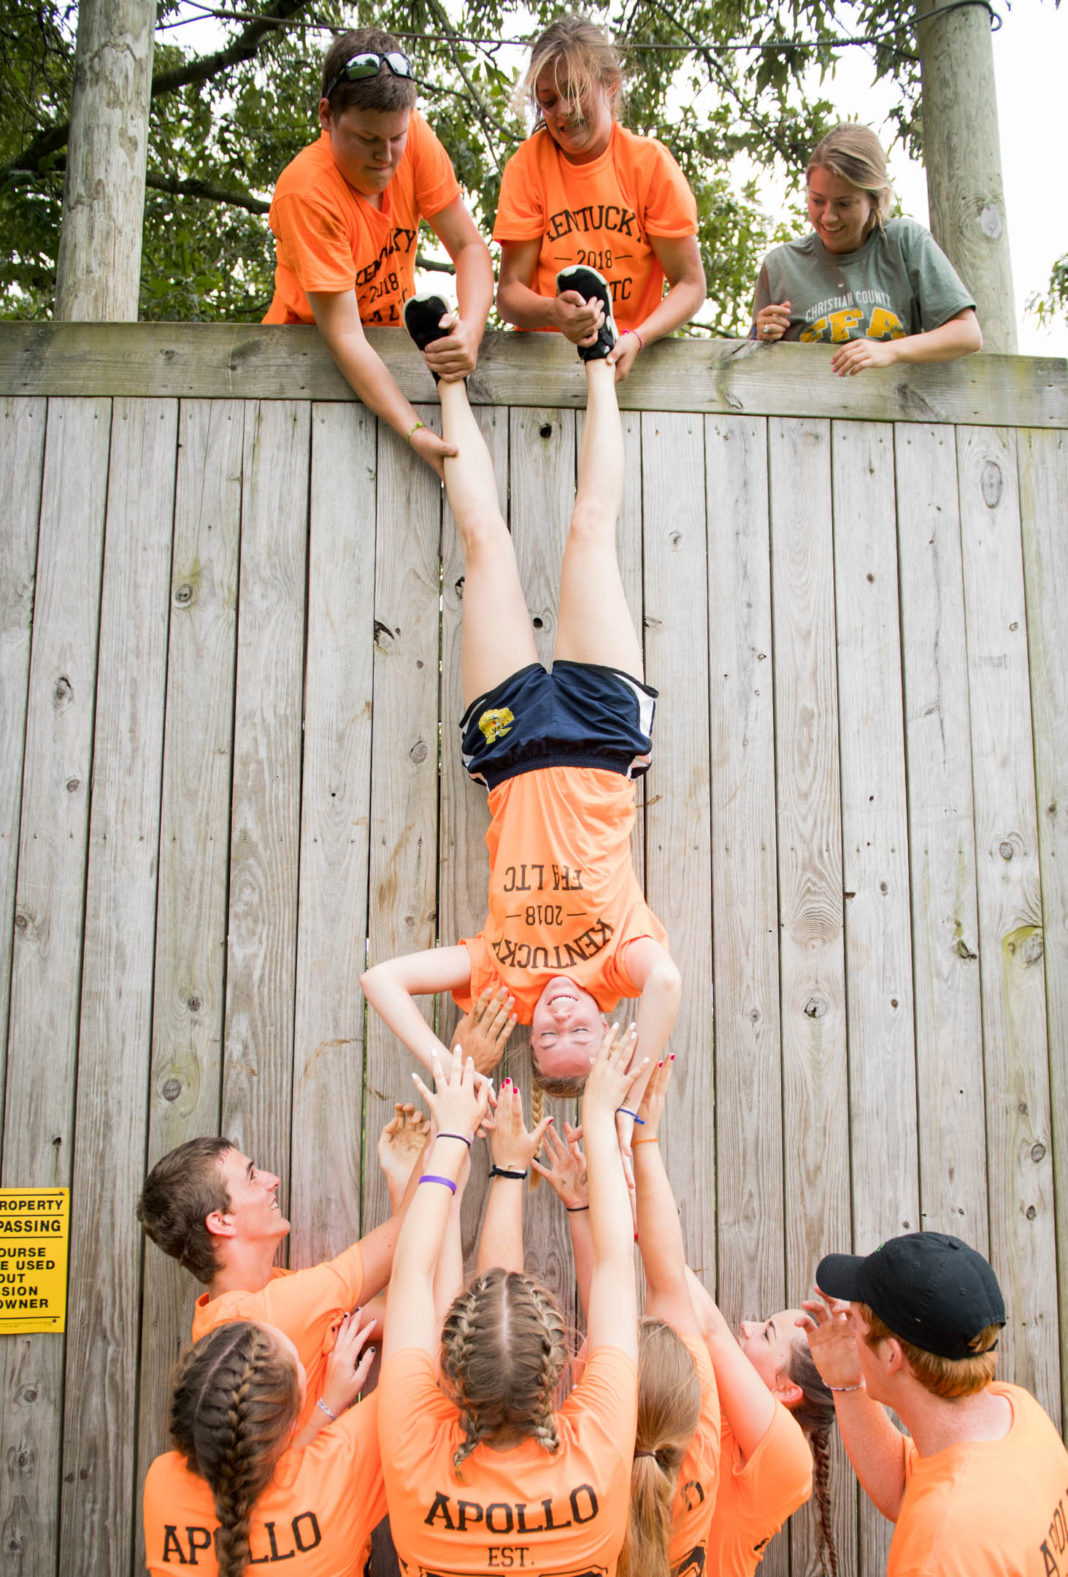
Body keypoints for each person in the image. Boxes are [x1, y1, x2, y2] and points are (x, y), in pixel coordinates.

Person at [360, 283, 681, 1091]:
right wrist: (631, 1090)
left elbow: (382, 981)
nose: (565, 1012)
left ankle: (448, 372)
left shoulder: (500, 984)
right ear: (606, 1028)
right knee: (589, 527)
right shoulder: (624, 967)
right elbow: (669, 985)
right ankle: (598, 356)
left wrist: (455, 1069)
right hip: (603, 738)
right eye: (584, 1031)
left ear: (528, 1038)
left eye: (551, 1033)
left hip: (506, 749)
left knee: (484, 545)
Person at [376, 1028, 645, 1575]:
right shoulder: (599, 1449)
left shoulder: (414, 1451)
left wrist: (455, 1139)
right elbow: (616, 1264)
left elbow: (408, 1275)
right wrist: (597, 1115)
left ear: (449, 1369)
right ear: (555, 1372)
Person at [263, 26, 493, 476]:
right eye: (368, 140)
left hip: (390, 358)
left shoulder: (414, 140)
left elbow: (469, 247)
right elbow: (346, 338)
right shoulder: (307, 192)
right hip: (301, 373)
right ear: (327, 116)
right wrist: (413, 431)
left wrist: (471, 331)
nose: (386, 156)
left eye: (397, 138)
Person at [135, 1113, 427, 1432]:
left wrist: (403, 1180)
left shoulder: (247, 1302)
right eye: (251, 1177)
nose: (272, 1179)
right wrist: (449, 1121)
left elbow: (404, 1314)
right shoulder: (267, 1314)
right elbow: (406, 1232)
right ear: (221, 1222)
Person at [805, 1231, 1068, 1576]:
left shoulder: (938, 1550)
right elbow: (904, 1485)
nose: (847, 1329)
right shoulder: (1015, 1412)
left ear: (891, 1355)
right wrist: (846, 1382)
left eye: (854, 1322)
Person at [494, 14, 706, 380]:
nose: (563, 111)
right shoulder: (526, 166)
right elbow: (509, 294)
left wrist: (638, 339)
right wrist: (553, 313)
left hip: (630, 368)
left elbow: (690, 284)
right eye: (548, 100)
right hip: (546, 372)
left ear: (609, 83)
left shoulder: (650, 164)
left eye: (575, 92)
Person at [143, 1318, 386, 1576]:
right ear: (292, 1424)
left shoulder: (163, 1482)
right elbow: (412, 1368)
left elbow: (281, 1479)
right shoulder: (338, 1471)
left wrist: (325, 1408)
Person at [751, 123, 983, 377]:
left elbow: (968, 333)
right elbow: (751, 367)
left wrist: (889, 351)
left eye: (844, 203)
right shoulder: (781, 265)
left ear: (875, 199)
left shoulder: (904, 242)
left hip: (898, 409)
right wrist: (761, 335)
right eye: (817, 200)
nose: (828, 217)